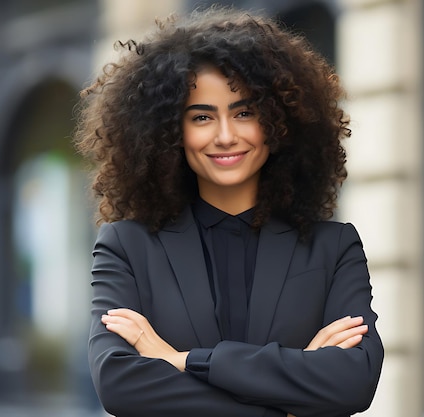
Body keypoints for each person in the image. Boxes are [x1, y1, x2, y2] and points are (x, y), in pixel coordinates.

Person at [75, 6, 383, 417]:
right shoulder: (127, 246)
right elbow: (120, 384)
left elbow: (351, 382)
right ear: (169, 131)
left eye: (244, 112)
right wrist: (289, 404)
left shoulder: (333, 247)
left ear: (278, 121)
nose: (225, 136)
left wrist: (184, 360)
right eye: (202, 117)